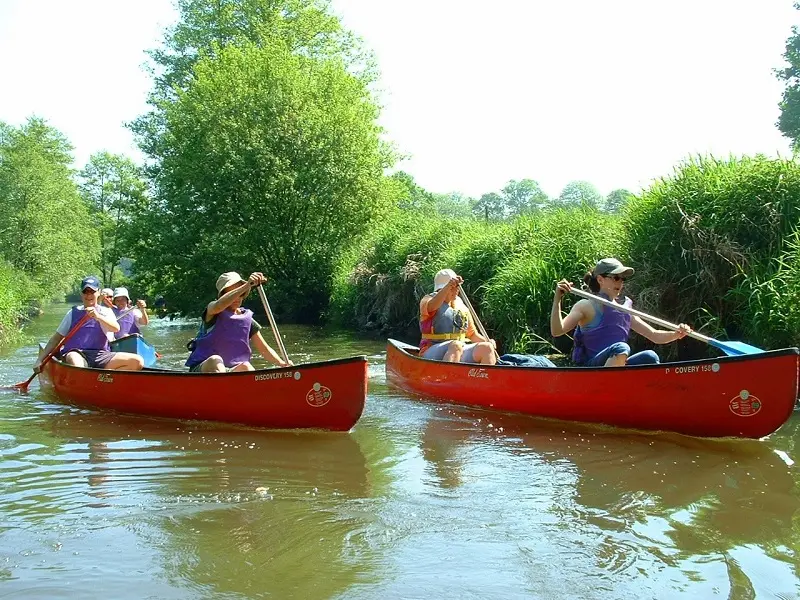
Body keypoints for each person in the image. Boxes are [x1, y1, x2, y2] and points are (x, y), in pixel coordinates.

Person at [551, 258, 692, 367]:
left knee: (650, 356)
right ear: (600, 279)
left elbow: (653, 335)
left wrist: (676, 334)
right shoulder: (586, 306)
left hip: (616, 364)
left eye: (622, 279)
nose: (620, 283)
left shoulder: (625, 307)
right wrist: (557, 299)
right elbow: (557, 331)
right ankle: (604, 388)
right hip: (592, 368)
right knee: (621, 347)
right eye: (616, 278)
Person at [185, 271, 293, 372]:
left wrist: (282, 364)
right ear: (223, 295)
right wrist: (247, 285)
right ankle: (224, 388)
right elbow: (218, 306)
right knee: (215, 360)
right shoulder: (212, 310)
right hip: (204, 368)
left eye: (241, 294)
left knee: (246, 366)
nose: (237, 298)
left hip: (231, 372)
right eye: (233, 293)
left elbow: (264, 349)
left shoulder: (246, 319)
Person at [34, 276, 145, 372]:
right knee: (75, 360)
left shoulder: (105, 311)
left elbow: (116, 328)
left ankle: (104, 379)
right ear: (81, 294)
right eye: (85, 292)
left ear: (98, 293)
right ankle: (86, 379)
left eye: (92, 292)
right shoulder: (73, 312)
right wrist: (40, 359)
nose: (89, 295)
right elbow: (56, 338)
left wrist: (98, 317)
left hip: (100, 355)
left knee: (137, 361)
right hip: (77, 353)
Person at [418, 268, 496, 365]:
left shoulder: (461, 306)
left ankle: (485, 379)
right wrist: (448, 286)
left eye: (457, 287)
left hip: (458, 349)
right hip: (431, 349)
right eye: (452, 288)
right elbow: (432, 306)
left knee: (486, 348)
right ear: (441, 290)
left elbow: (472, 335)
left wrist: (489, 342)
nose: (456, 290)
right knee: (455, 345)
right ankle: (446, 378)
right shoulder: (428, 300)